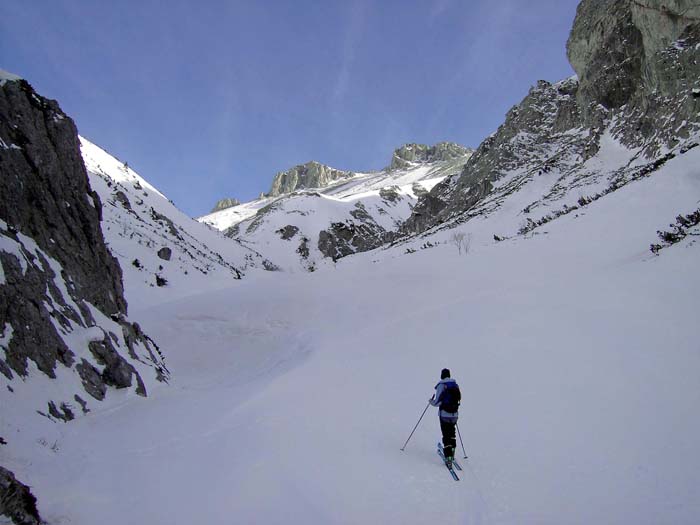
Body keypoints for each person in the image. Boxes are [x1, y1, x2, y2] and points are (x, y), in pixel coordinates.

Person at [429, 368, 460, 466]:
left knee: (446, 435)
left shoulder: (442, 385)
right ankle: (452, 451)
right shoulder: (455, 385)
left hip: (444, 414)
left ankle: (448, 457)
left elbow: (437, 402)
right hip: (454, 414)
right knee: (452, 434)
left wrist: (431, 401)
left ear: (442, 376)